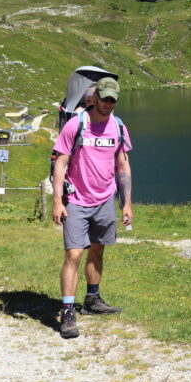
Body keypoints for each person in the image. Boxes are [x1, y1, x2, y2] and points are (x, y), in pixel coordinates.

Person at [51, 76, 133, 339]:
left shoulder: (118, 127)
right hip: (76, 200)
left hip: (105, 199)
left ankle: (92, 300)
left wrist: (127, 203)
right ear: (95, 96)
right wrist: (56, 201)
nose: (108, 104)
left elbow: (122, 166)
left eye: (112, 100)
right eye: (104, 98)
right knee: (73, 255)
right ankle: (67, 312)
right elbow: (60, 163)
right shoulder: (76, 125)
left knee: (97, 251)